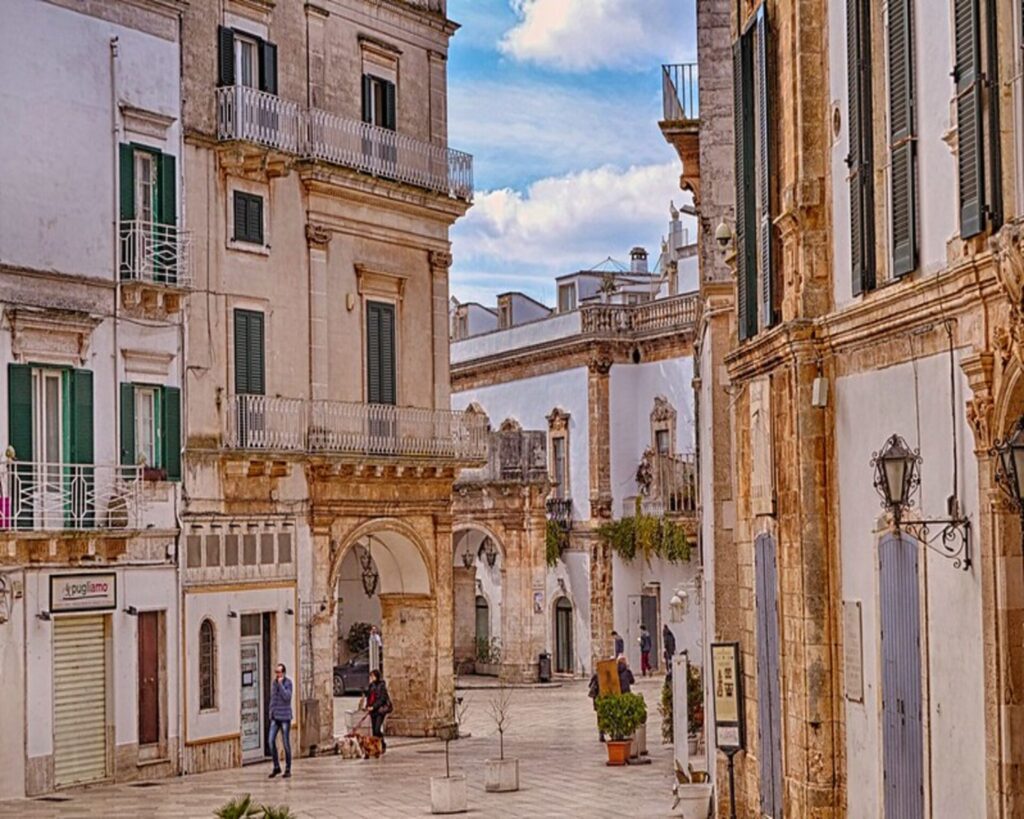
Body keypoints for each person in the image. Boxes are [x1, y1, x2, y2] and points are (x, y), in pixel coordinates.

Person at [268, 663, 293, 778]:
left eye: (279, 672)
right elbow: (273, 699)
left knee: (286, 743)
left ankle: (288, 768)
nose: (277, 674)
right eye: (276, 672)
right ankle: (276, 766)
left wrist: (281, 685)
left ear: (283, 673)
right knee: (270, 741)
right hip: (275, 717)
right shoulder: (274, 683)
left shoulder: (288, 683)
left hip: (285, 717)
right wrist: (271, 712)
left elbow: (287, 697)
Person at [365, 668, 392, 752]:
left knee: (377, 729)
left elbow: (382, 699)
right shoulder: (371, 686)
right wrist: (367, 706)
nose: (371, 678)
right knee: (374, 731)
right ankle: (376, 746)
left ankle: (382, 744)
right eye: (371, 676)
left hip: (380, 710)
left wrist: (374, 706)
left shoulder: (382, 686)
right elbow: (369, 697)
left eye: (373, 676)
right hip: (373, 711)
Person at [588, 672, 604, 742]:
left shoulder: (596, 675)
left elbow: (590, 685)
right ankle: (602, 733)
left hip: (598, 699)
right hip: (605, 698)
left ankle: (601, 733)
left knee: (600, 717)